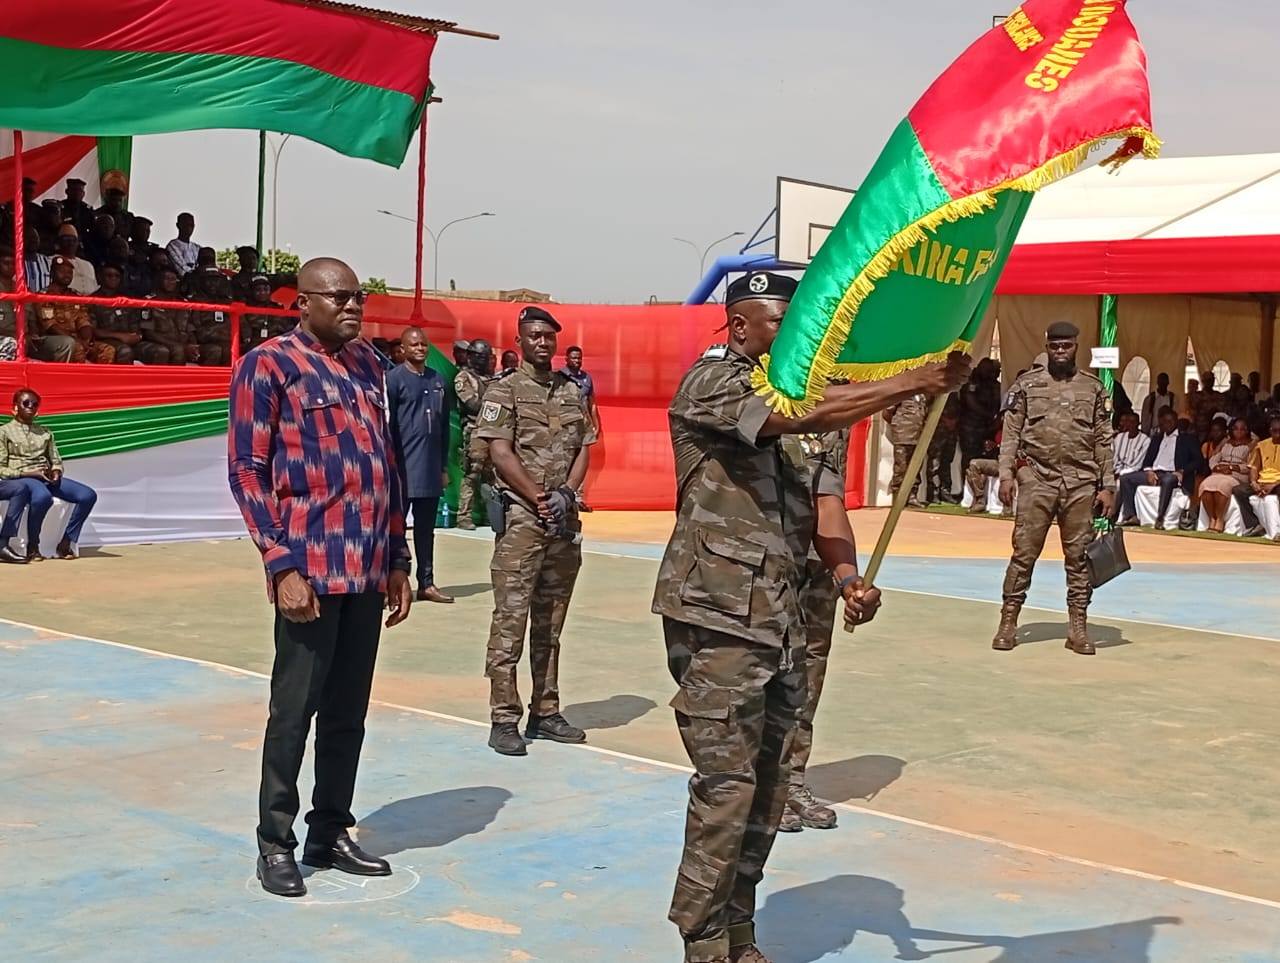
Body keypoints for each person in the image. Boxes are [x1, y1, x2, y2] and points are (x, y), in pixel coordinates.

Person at [653, 271, 968, 963]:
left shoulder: (806, 404)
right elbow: (794, 416)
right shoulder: (714, 383)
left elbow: (828, 505)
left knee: (769, 788)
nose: (796, 333)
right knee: (726, 785)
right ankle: (702, 940)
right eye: (779, 321)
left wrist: (848, 575)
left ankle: (740, 933)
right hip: (719, 615)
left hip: (782, 617)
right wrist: (914, 380)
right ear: (740, 327)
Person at [227, 257, 413, 899]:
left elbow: (385, 466)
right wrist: (279, 564)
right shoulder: (268, 365)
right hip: (307, 568)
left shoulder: (369, 364)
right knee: (293, 712)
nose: (353, 306)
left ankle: (329, 830)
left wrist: (397, 560)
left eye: (358, 296)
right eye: (338, 297)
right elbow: (247, 473)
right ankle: (274, 842)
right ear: (301, 303)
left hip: (364, 570)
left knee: (347, 714)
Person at [473, 306, 596, 756]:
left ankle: (545, 711)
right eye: (535, 336)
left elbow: (585, 445)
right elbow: (500, 452)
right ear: (521, 341)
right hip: (523, 521)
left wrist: (565, 492)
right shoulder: (503, 391)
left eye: (549, 336)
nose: (543, 343)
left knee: (551, 623)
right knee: (510, 621)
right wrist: (539, 497)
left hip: (562, 520)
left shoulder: (571, 391)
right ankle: (504, 717)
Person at [994, 322, 1115, 655]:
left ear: (1077, 346)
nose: (1060, 352)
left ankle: (1078, 626)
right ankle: (1008, 621)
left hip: (1081, 483)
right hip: (1037, 479)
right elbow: (1012, 435)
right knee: (1024, 554)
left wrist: (1108, 486)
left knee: (1079, 560)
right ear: (1046, 346)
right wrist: (1006, 475)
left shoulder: (1092, 389)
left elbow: (1104, 440)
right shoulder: (1027, 386)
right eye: (1055, 346)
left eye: (1067, 346)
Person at [779, 425, 860, 834]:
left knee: (809, 674)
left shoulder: (839, 412)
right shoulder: (772, 397)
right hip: (775, 559)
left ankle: (793, 781)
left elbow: (831, 497)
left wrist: (850, 579)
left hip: (821, 560)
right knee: (770, 674)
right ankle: (766, 790)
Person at [387, 327, 454, 604]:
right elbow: (387, 426)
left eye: (424, 344)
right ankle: (391, 583)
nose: (420, 348)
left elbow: (443, 428)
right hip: (402, 471)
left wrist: (442, 467)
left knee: (427, 530)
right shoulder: (393, 379)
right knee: (395, 530)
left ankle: (426, 584)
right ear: (402, 349)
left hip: (428, 471)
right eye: (414, 344)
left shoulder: (437, 380)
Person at [0, 389, 99, 562]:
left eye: (34, 404)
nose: (30, 407)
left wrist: (56, 471)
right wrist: (29, 473)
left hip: (45, 476)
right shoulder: (4, 432)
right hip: (24, 477)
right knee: (42, 497)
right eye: (25, 403)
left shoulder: (45, 432)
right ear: (14, 407)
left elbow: (56, 459)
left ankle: (66, 541)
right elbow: (1, 468)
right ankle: (33, 547)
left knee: (88, 495)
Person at [1116, 407, 1201, 530]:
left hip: (1173, 473)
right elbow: (1146, 461)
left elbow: (1198, 461)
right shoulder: (1156, 439)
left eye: (1170, 421)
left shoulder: (1187, 439)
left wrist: (1182, 471)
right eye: (1164, 422)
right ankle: (1131, 515)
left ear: (1175, 421)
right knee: (1125, 479)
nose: (1167, 425)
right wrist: (1149, 471)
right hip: (1155, 473)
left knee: (1168, 480)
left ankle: (1160, 517)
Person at [37, 256, 116, 363]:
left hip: (79, 339)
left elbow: (83, 320)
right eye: (62, 271)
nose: (66, 275)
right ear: (52, 273)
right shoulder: (44, 296)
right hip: (57, 340)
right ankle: (80, 380)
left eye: (69, 272)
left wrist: (86, 340)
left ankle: (100, 379)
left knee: (107, 350)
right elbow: (50, 326)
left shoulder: (75, 296)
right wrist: (78, 341)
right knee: (77, 348)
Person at [454, 338, 494, 530]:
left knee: (491, 476)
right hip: (473, 430)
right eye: (479, 356)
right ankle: (464, 516)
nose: (482, 360)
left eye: (485, 357)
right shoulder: (463, 378)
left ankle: (489, 514)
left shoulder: (490, 379)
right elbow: (472, 404)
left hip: (492, 432)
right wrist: (492, 406)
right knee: (472, 474)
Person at [1199, 418, 1253, 533]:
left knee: (1223, 486)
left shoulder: (1251, 444)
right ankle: (1211, 519)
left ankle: (1219, 519)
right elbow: (1214, 458)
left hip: (1237, 474)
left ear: (1247, 430)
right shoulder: (1226, 442)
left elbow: (1250, 465)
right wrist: (1216, 467)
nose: (1239, 431)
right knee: (1206, 485)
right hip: (1219, 472)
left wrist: (1232, 467)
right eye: (1236, 429)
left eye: (1242, 429)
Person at [138, 266, 198, 365]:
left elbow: (190, 329)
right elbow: (148, 333)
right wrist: (179, 346)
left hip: (181, 344)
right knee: (175, 351)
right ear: (159, 280)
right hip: (156, 343)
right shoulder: (149, 301)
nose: (170, 282)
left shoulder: (184, 303)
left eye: (173, 279)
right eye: (167, 278)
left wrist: (193, 345)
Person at [1235, 415, 1280, 538]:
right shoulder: (1261, 445)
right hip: (1262, 481)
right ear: (1270, 431)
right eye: (1275, 431)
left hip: (1277, 482)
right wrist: (1254, 482)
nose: (1278, 434)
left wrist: (1274, 485)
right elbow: (1254, 467)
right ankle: (1254, 525)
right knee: (1239, 490)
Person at [88, 262, 142, 364]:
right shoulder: (92, 300)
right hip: (105, 341)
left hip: (130, 340)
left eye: (117, 276)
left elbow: (135, 325)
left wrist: (137, 336)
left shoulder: (126, 299)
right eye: (109, 275)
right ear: (100, 277)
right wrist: (120, 336)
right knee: (125, 351)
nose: (113, 278)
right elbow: (92, 330)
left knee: (159, 351)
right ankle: (122, 380)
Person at [958, 358, 1001, 480]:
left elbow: (998, 402)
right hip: (971, 426)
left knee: (987, 457)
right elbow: (970, 401)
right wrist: (988, 414)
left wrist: (995, 420)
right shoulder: (972, 383)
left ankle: (982, 487)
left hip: (988, 427)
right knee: (969, 458)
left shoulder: (994, 384)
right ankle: (967, 486)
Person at [187, 263, 233, 366]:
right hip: (204, 342)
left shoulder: (227, 301)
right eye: (209, 280)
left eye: (216, 280)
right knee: (215, 351)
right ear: (202, 281)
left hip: (224, 340)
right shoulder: (194, 301)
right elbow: (192, 327)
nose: (213, 284)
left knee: (230, 351)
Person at [887, 392, 927, 507]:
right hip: (903, 435)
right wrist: (898, 425)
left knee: (915, 467)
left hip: (917, 436)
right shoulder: (903, 393)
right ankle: (898, 497)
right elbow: (888, 412)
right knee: (901, 468)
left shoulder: (922, 396)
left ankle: (912, 496)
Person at [240, 275, 290, 353]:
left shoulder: (277, 307)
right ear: (252, 291)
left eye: (266, 289)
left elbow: (286, 329)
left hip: (275, 345)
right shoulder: (246, 309)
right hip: (254, 346)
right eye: (258, 290)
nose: (262, 292)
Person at [925, 396, 961, 503]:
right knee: (934, 462)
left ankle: (945, 492)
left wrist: (954, 421)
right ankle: (933, 493)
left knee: (947, 461)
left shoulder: (954, 391)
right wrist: (944, 420)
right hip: (937, 429)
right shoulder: (935, 389)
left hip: (951, 431)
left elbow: (959, 408)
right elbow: (928, 408)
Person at [964, 431, 1008, 516]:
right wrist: (992, 445)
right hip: (998, 461)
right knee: (973, 465)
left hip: (1012, 463)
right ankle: (980, 500)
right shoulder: (1000, 430)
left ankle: (1007, 506)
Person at [54, 224, 98, 295]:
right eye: (66, 239)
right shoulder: (50, 261)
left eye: (74, 240)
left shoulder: (88, 264)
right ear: (59, 242)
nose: (71, 243)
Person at [0, 245, 21, 362]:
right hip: (7, 338)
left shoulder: (22, 288)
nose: (10, 267)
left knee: (64, 344)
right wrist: (16, 335)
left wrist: (32, 334)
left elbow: (33, 321)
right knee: (12, 344)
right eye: (6, 263)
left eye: (13, 263)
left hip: (26, 339)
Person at [165, 212, 200, 277]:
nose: (189, 228)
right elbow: (182, 270)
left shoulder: (197, 247)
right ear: (178, 225)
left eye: (191, 225)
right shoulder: (172, 246)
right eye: (186, 225)